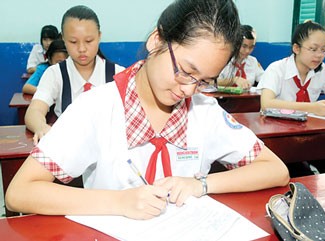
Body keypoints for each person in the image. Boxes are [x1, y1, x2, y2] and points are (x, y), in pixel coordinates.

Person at [6, 0, 289, 220]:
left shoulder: (204, 111)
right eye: (186, 71)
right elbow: (19, 192)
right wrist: (119, 202)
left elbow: (275, 169)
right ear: (157, 40)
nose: (189, 90)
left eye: (203, 81)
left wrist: (200, 185)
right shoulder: (97, 107)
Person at [24, 5, 125, 144]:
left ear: (99, 36)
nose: (82, 49)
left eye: (89, 41)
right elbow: (34, 110)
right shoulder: (55, 74)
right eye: (73, 42)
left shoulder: (118, 74)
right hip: (68, 150)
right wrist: (41, 127)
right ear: (63, 39)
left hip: (108, 151)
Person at [257, 21, 325, 116]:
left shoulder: (321, 70)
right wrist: (312, 107)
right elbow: (266, 104)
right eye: (313, 49)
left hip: (307, 126)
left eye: (323, 50)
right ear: (296, 48)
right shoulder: (276, 69)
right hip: (275, 126)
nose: (319, 55)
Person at [217, 25, 264, 89]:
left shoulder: (253, 61)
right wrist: (233, 80)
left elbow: (265, 79)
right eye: (244, 46)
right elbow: (211, 82)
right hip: (224, 98)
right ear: (235, 44)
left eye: (251, 47)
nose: (247, 51)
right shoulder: (223, 60)